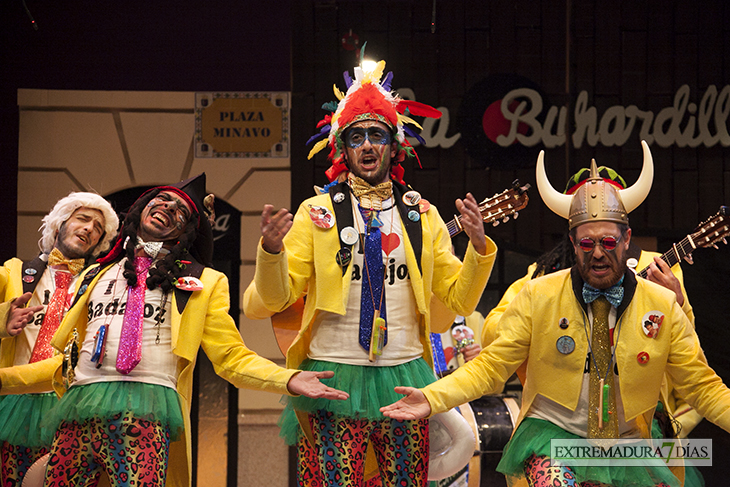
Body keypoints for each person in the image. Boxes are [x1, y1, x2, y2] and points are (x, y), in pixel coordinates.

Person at [381, 142, 730, 487]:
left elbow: (703, 387)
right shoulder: (539, 293)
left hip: (628, 444)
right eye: (586, 243)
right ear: (572, 242)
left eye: (608, 243)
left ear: (626, 239)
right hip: (554, 439)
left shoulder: (661, 302)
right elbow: (491, 368)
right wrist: (431, 397)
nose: (597, 254)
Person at [0, 174, 349, 487]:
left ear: (186, 233)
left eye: (180, 211)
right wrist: (6, 380)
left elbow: (230, 357)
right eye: (161, 200)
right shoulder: (94, 275)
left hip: (146, 412)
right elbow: (66, 364)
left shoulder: (203, 283)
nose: (167, 208)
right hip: (79, 408)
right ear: (139, 210)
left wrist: (286, 379)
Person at [243, 58, 497, 487]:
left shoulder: (422, 215)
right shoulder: (316, 212)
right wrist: (270, 251)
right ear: (341, 149)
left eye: (376, 135)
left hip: (404, 373)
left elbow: (458, 299)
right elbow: (271, 300)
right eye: (355, 137)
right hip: (333, 372)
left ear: (394, 146)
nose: (366, 145)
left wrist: (477, 249)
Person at [482, 166, 704, 441]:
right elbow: (492, 335)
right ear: (573, 232)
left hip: (636, 420)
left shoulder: (656, 266)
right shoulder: (544, 276)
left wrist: (678, 303)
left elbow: (689, 350)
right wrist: (536, 320)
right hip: (562, 419)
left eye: (608, 238)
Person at [0, 192, 119, 485]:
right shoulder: (14, 271)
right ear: (60, 223)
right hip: (14, 402)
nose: (90, 228)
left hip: (71, 405)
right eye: (82, 218)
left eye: (98, 227)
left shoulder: (100, 284)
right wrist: (1, 321)